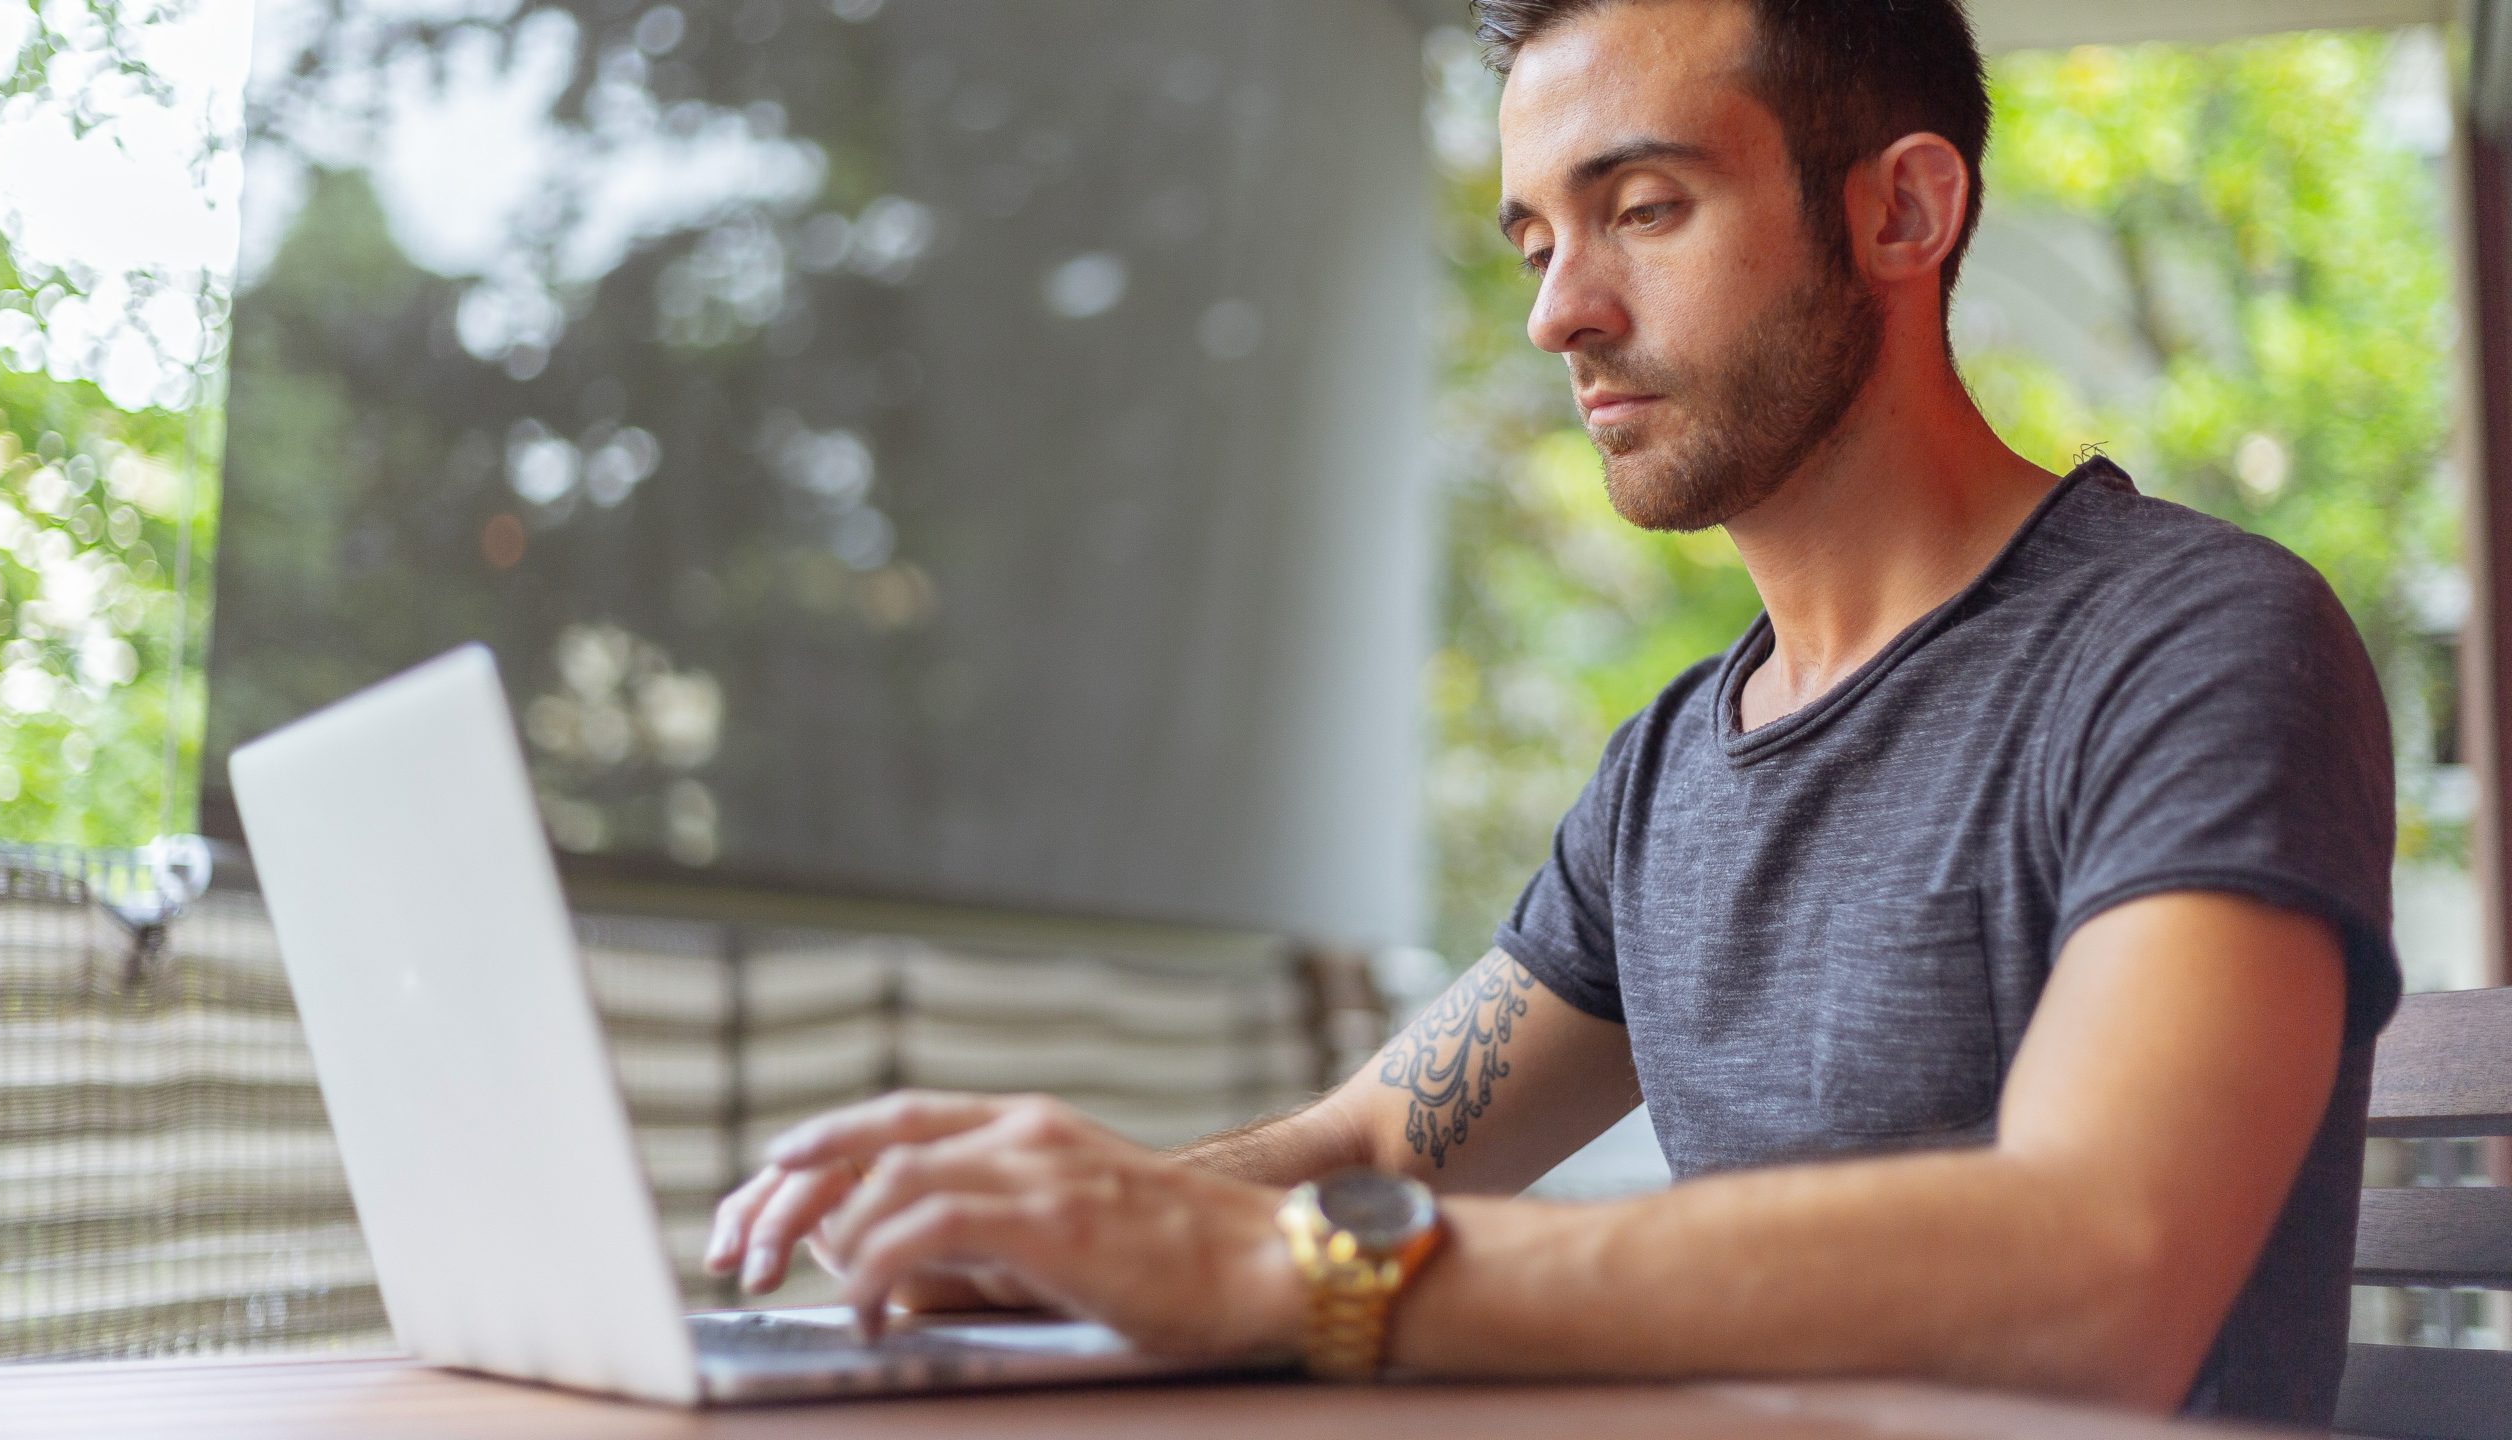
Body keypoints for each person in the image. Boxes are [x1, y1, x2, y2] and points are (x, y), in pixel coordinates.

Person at [705, 0, 2402, 1426]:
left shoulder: (2192, 645)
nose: (1557, 312)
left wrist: (1278, 1276)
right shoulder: (1674, 762)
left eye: (1644, 207)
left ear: (1902, 212)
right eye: (1536, 239)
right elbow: (1389, 1137)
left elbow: (2103, 1267)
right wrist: (1068, 1220)